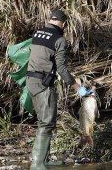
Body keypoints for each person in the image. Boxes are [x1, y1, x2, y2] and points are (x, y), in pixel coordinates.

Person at [26, 9, 91, 170]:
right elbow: (62, 69)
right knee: (47, 124)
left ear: (50, 20)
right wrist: (79, 88)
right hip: (43, 84)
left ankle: (43, 160)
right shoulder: (59, 40)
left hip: (31, 81)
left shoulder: (37, 33)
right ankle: (38, 164)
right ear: (64, 24)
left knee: (43, 122)